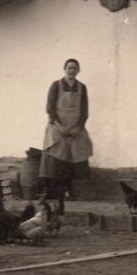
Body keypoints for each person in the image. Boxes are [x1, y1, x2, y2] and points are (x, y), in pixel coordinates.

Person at [40, 58, 93, 213]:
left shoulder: (82, 87)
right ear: (65, 69)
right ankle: (46, 193)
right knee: (53, 160)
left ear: (78, 71)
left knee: (73, 158)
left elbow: (84, 111)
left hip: (75, 129)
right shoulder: (56, 85)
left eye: (75, 68)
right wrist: (59, 125)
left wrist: (79, 127)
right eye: (69, 68)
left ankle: (67, 191)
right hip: (57, 127)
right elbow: (50, 108)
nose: (72, 71)